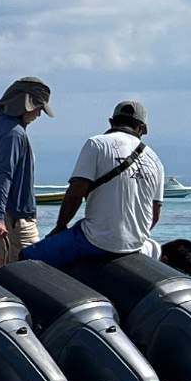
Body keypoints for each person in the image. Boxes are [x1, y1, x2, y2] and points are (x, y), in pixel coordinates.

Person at [22, 101, 167, 268]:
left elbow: (76, 193)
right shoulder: (156, 160)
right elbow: (154, 215)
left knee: (27, 256)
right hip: (134, 245)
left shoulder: (97, 144)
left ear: (111, 122)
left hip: (94, 240)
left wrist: (60, 226)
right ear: (142, 129)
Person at [0, 77, 50, 265]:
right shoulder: (13, 133)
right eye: (39, 108)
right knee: (32, 268)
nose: (39, 114)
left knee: (2, 267)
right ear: (28, 106)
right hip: (9, 214)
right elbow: (3, 176)